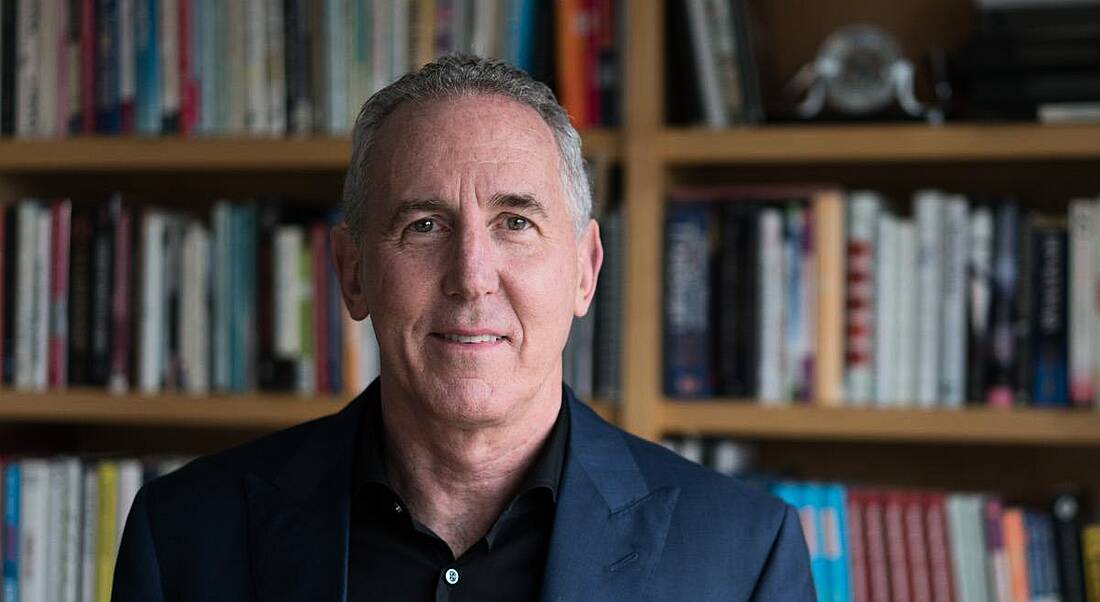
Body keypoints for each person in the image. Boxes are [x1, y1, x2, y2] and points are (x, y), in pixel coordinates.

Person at [112, 54, 815, 601]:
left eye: (515, 223)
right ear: (352, 273)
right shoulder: (184, 536)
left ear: (584, 271)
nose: (472, 275)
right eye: (424, 226)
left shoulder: (742, 555)